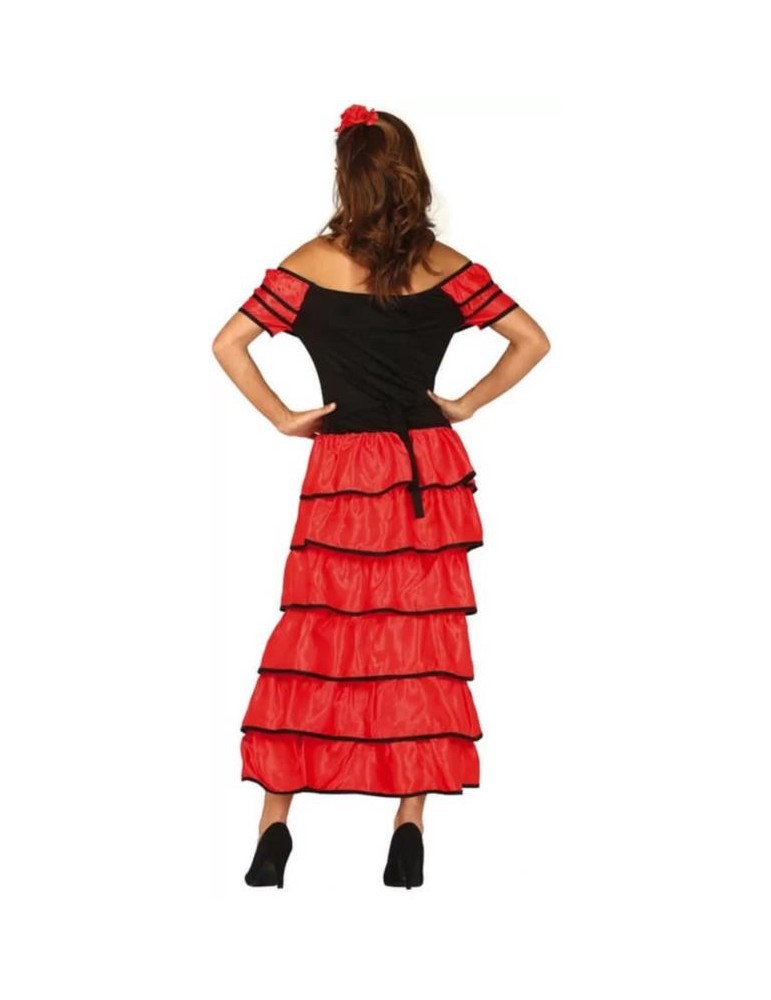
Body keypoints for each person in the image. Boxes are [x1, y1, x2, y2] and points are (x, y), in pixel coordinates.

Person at [211, 104, 551, 889]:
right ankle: (407, 827)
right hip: (426, 465)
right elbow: (531, 339)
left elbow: (227, 343)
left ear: (346, 177)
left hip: (342, 469)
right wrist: (464, 404)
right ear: (409, 176)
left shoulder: (307, 265)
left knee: (316, 630)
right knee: (418, 642)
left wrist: (283, 418)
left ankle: (274, 826)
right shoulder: (446, 266)